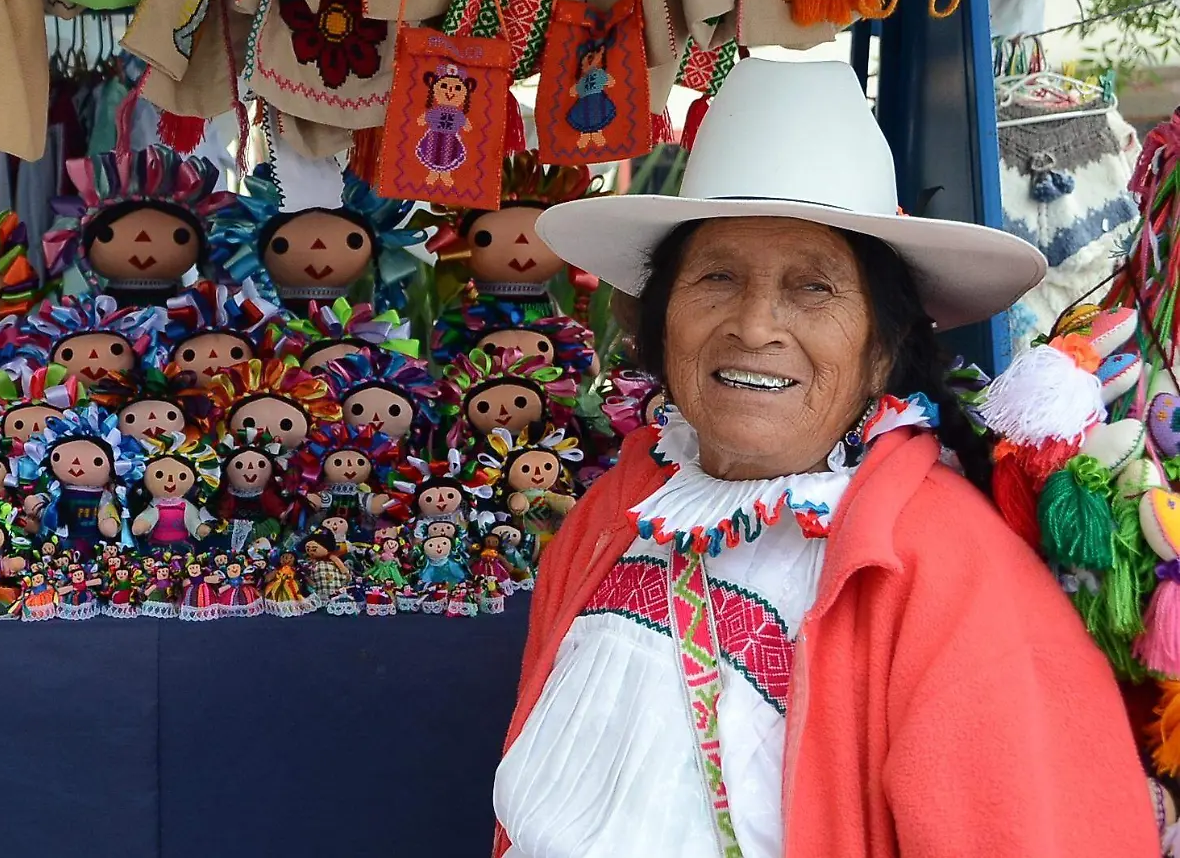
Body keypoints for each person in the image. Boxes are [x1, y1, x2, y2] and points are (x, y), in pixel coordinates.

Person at [494, 59, 1155, 857]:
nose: (755, 324)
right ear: (661, 323)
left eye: (814, 289)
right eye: (717, 277)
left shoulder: (949, 572)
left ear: (883, 350)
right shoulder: (615, 514)